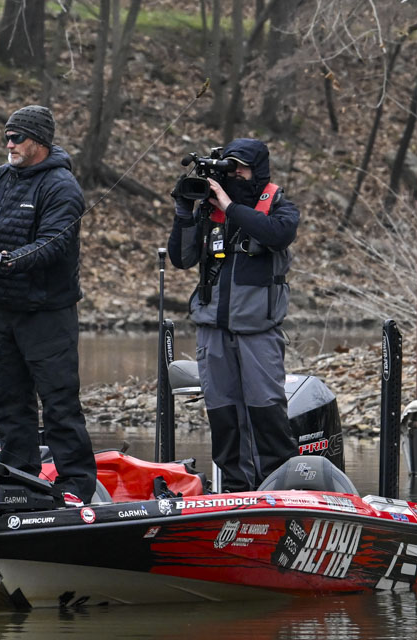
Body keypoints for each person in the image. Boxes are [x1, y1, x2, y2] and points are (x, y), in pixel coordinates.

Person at [0, 104, 96, 506]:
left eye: (16, 137)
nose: (9, 144)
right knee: (8, 401)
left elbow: (54, 243)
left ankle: (76, 485)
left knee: (59, 402)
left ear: (39, 141)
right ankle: (19, 479)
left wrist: (10, 261)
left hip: (48, 314)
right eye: (6, 137)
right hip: (4, 309)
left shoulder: (62, 187)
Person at [167, 138, 299, 492]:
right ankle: (236, 491)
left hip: (258, 331)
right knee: (224, 417)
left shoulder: (278, 205)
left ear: (258, 171)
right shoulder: (210, 213)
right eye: (230, 167)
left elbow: (278, 235)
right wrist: (184, 213)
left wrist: (230, 205)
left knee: (266, 413)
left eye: (241, 168)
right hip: (213, 331)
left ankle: (279, 490)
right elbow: (182, 259)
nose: (235, 174)